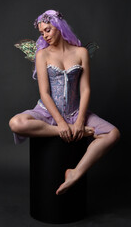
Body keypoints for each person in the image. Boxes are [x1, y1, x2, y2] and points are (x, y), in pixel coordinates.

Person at [9, 10, 120, 195]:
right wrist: (61, 124)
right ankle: (71, 132)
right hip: (47, 111)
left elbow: (85, 90)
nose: (44, 35)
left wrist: (79, 121)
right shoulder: (42, 55)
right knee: (16, 123)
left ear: (59, 27)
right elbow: (44, 93)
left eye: (47, 30)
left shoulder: (81, 52)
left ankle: (75, 173)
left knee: (113, 134)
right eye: (41, 32)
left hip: (75, 112)